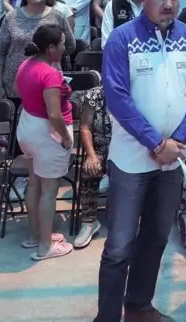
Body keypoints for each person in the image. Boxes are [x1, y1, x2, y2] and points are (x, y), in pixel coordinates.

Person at [96, 0, 186, 322]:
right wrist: (155, 141)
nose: (169, 4)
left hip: (171, 161)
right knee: (119, 246)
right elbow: (116, 97)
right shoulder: (121, 39)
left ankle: (139, 305)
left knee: (158, 236)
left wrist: (175, 142)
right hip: (132, 159)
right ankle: (108, 316)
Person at [13, 23, 74, 260]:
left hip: (27, 128)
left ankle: (36, 236)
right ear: (50, 48)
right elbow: (54, 115)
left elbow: (20, 89)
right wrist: (67, 138)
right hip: (47, 133)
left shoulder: (25, 64)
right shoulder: (49, 74)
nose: (64, 49)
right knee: (49, 192)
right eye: (61, 46)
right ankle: (45, 247)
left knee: (34, 183)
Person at [0, 0, 76, 106]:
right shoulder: (11, 17)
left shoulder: (58, 17)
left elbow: (70, 46)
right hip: (15, 86)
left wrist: (49, 57)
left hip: (48, 85)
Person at [74, 84, 112, 249]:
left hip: (127, 150)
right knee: (88, 169)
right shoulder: (94, 96)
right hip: (101, 150)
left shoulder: (136, 91)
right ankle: (89, 222)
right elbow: (85, 127)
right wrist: (91, 155)